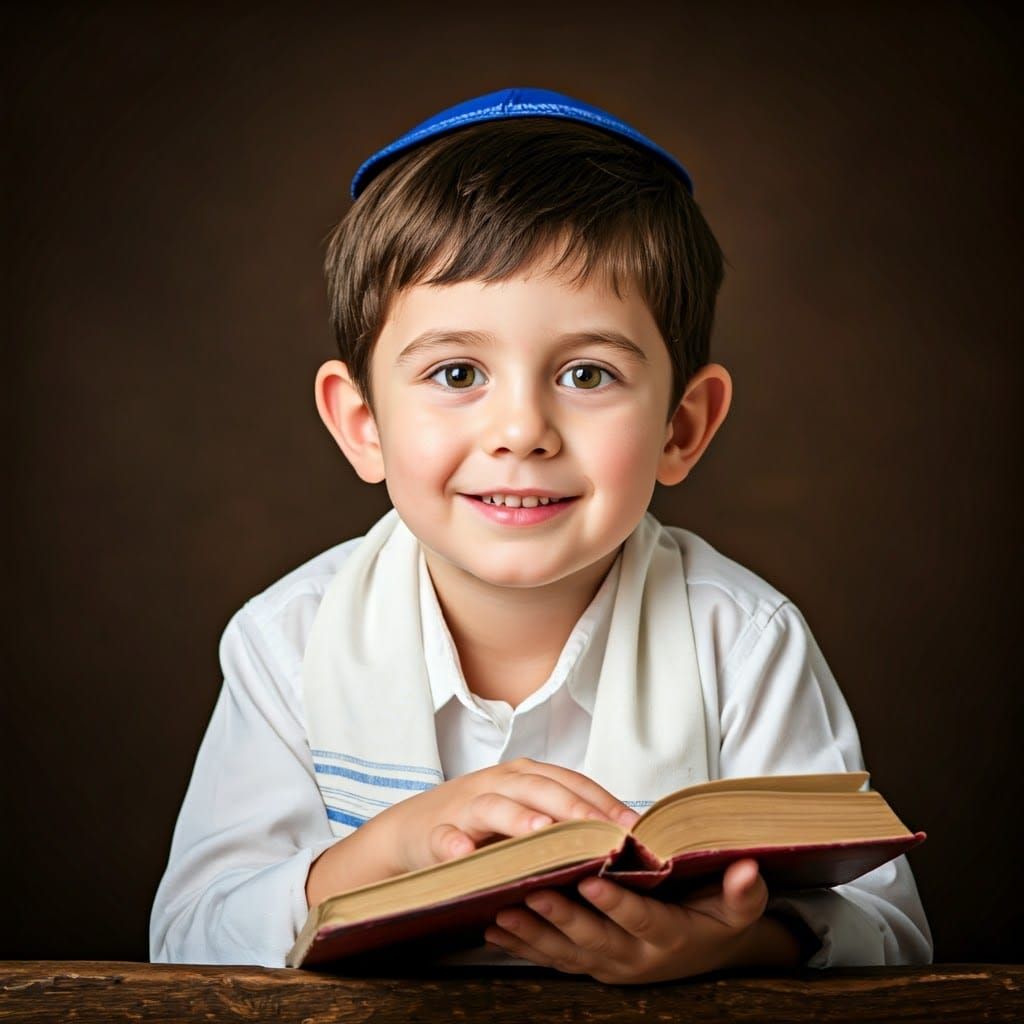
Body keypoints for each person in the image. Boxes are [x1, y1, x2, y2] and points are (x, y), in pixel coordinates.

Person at [150, 87, 932, 982]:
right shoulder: (288, 641)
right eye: (456, 371)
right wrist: (385, 851)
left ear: (683, 426)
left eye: (588, 373)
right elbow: (188, 940)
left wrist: (735, 943)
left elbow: (891, 929)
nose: (522, 429)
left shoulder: (742, 639)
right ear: (362, 423)